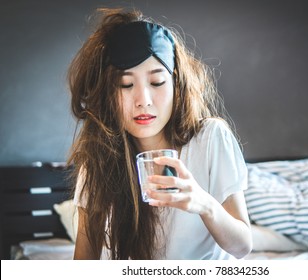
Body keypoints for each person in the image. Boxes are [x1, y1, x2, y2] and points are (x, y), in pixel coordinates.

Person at [67, 7, 252, 260]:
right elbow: (84, 259)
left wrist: (203, 204)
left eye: (157, 83)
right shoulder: (99, 157)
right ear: (107, 93)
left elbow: (242, 246)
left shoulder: (210, 138)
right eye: (125, 85)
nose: (143, 100)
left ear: (176, 83)